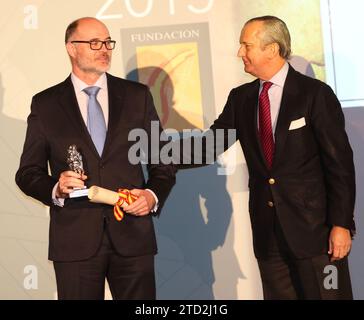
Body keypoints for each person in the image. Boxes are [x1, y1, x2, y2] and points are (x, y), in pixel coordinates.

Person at [176, 16, 355, 299]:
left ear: (271, 49)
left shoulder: (314, 94)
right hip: (269, 235)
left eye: (246, 46)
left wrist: (341, 224)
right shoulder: (242, 98)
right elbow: (209, 145)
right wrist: (154, 155)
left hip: (316, 235)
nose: (240, 53)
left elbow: (340, 166)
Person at [15, 17, 176, 300]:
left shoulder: (136, 96)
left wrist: (151, 195)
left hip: (132, 237)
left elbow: (163, 161)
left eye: (107, 42)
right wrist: (56, 187)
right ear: (71, 48)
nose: (104, 49)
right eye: (94, 43)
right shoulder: (46, 103)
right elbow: (28, 172)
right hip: (74, 240)